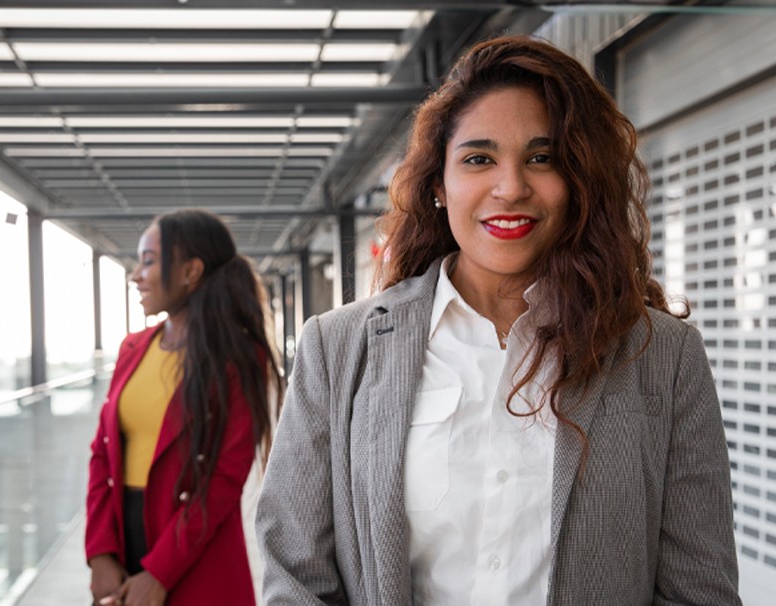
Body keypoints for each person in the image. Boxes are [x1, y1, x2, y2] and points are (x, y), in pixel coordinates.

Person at [255, 35, 741, 606]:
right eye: (478, 159)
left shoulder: (663, 356)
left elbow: (699, 591)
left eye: (542, 158)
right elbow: (294, 574)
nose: (511, 188)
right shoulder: (338, 349)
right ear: (439, 184)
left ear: (579, 181)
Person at [86, 209, 283, 606]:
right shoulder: (132, 348)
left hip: (195, 557)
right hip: (123, 553)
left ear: (191, 270)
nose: (135, 274)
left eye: (149, 261)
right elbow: (102, 455)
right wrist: (100, 554)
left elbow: (223, 482)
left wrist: (159, 574)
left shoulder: (239, 357)